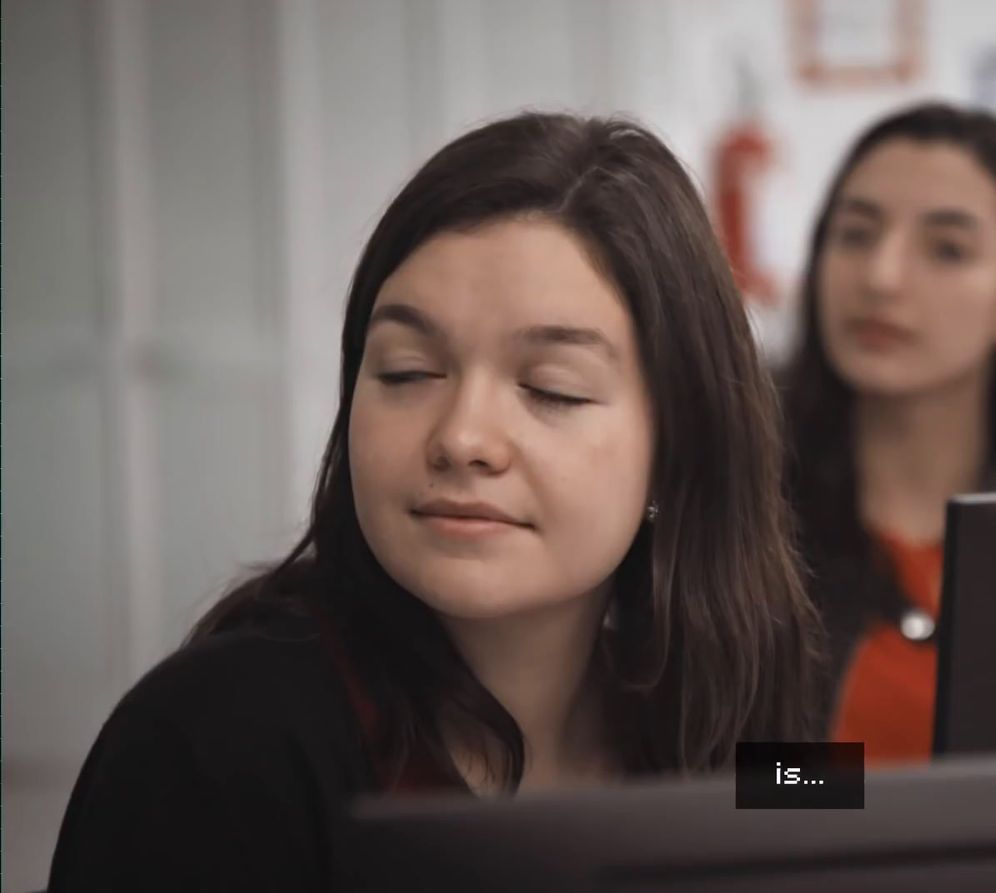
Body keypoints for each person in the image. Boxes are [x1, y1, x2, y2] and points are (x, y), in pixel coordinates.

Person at [48, 111, 823, 892]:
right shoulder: (209, 741)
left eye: (550, 388)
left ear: (679, 447)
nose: (461, 437)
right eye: (408, 371)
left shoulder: (731, 703)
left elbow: (867, 818)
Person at [783, 103, 996, 766]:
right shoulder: (737, 519)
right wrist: (880, 798)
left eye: (946, 249)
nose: (881, 277)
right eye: (855, 234)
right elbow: (714, 780)